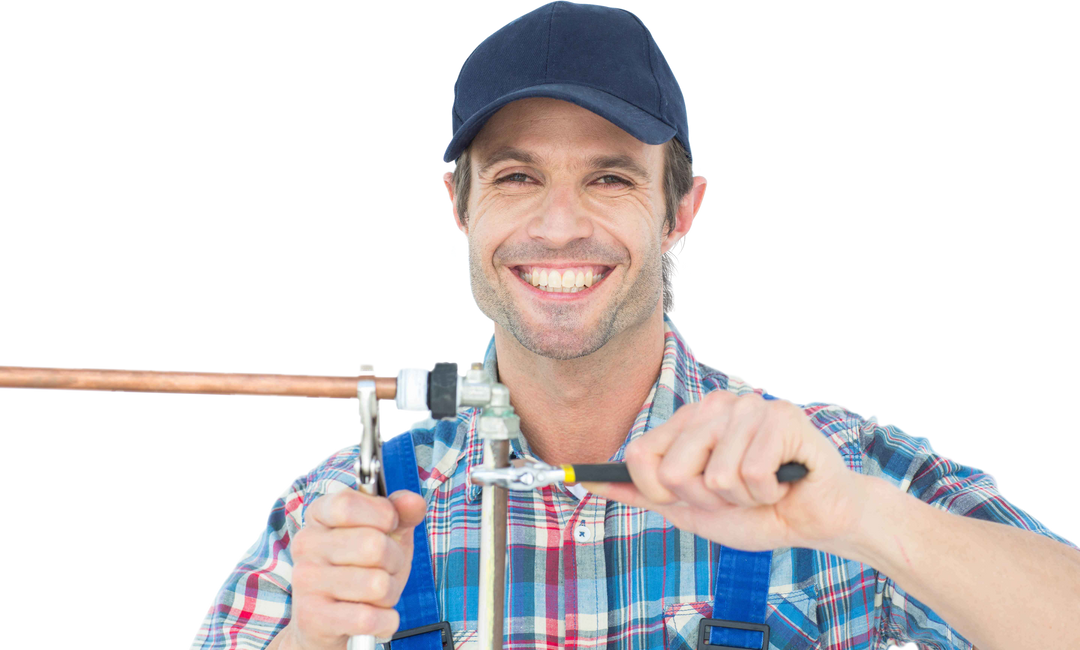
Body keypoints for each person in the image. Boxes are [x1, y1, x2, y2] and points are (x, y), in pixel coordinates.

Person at [188, 2, 1080, 649]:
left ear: (681, 208)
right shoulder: (340, 515)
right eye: (516, 177)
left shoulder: (831, 463)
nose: (560, 225)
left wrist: (864, 520)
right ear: (456, 207)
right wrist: (309, 637)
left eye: (610, 178)